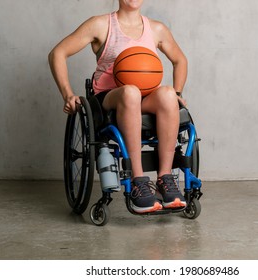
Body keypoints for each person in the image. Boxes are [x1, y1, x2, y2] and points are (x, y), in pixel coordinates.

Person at [48, 0, 188, 214]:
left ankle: (165, 178)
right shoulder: (100, 25)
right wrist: (67, 95)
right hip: (110, 99)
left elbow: (180, 60)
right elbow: (57, 53)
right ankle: (138, 181)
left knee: (168, 94)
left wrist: (177, 92)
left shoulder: (157, 29)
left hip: (146, 98)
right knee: (130, 91)